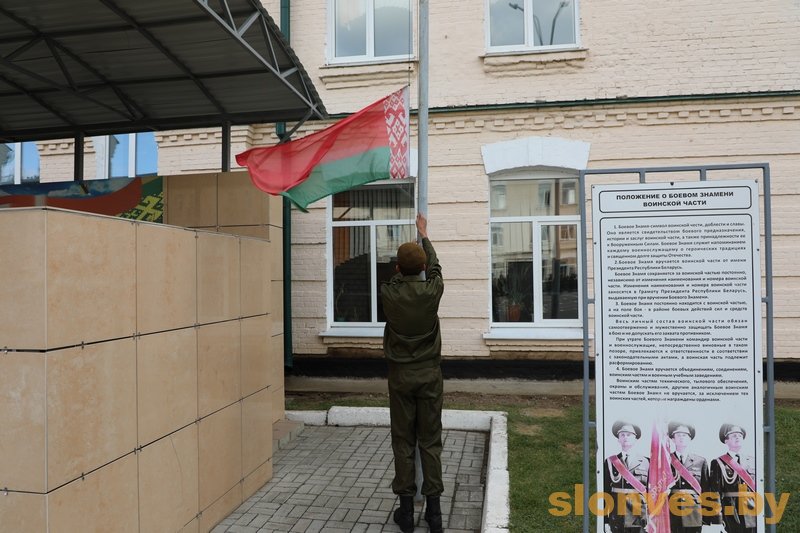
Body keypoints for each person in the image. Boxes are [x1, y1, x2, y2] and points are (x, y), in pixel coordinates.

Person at [380, 213, 445, 533]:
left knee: (403, 441)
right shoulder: (433, 291)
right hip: (430, 376)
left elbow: (397, 279)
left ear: (397, 269)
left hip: (401, 378)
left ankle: (406, 513)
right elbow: (436, 268)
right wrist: (424, 236)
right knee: (430, 442)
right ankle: (435, 515)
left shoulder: (389, 293)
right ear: (422, 268)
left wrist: (403, 268)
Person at [708, 424, 757, 532]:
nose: (737, 437)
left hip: (751, 508)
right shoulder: (718, 462)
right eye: (734, 435)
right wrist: (718, 519)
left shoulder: (753, 461)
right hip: (730, 509)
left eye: (740, 435)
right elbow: (715, 493)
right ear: (726, 441)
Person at [667, 422, 714, 533]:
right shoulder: (666, 460)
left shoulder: (700, 461)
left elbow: (706, 490)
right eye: (678, 435)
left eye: (684, 435)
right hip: (671, 511)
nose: (681, 438)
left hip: (694, 512)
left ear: (690, 438)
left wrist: (707, 517)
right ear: (673, 439)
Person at [603, 421, 649, 533]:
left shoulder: (647, 462)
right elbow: (606, 492)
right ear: (618, 439)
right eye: (622, 435)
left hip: (639, 515)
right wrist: (605, 520)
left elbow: (652, 492)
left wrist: (652, 518)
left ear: (635, 439)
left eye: (629, 435)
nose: (625, 437)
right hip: (617, 515)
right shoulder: (610, 462)